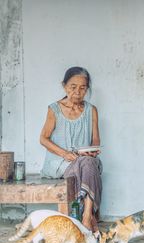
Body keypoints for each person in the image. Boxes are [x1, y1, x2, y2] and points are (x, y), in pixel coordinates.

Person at [40, 66, 102, 232]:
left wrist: (92, 151)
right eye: (73, 87)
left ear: (87, 89)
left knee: (88, 162)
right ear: (64, 86)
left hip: (83, 161)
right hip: (60, 162)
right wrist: (65, 153)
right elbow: (43, 139)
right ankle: (88, 217)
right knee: (87, 165)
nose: (77, 92)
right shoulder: (54, 109)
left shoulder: (91, 110)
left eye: (82, 88)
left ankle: (85, 216)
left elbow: (96, 141)